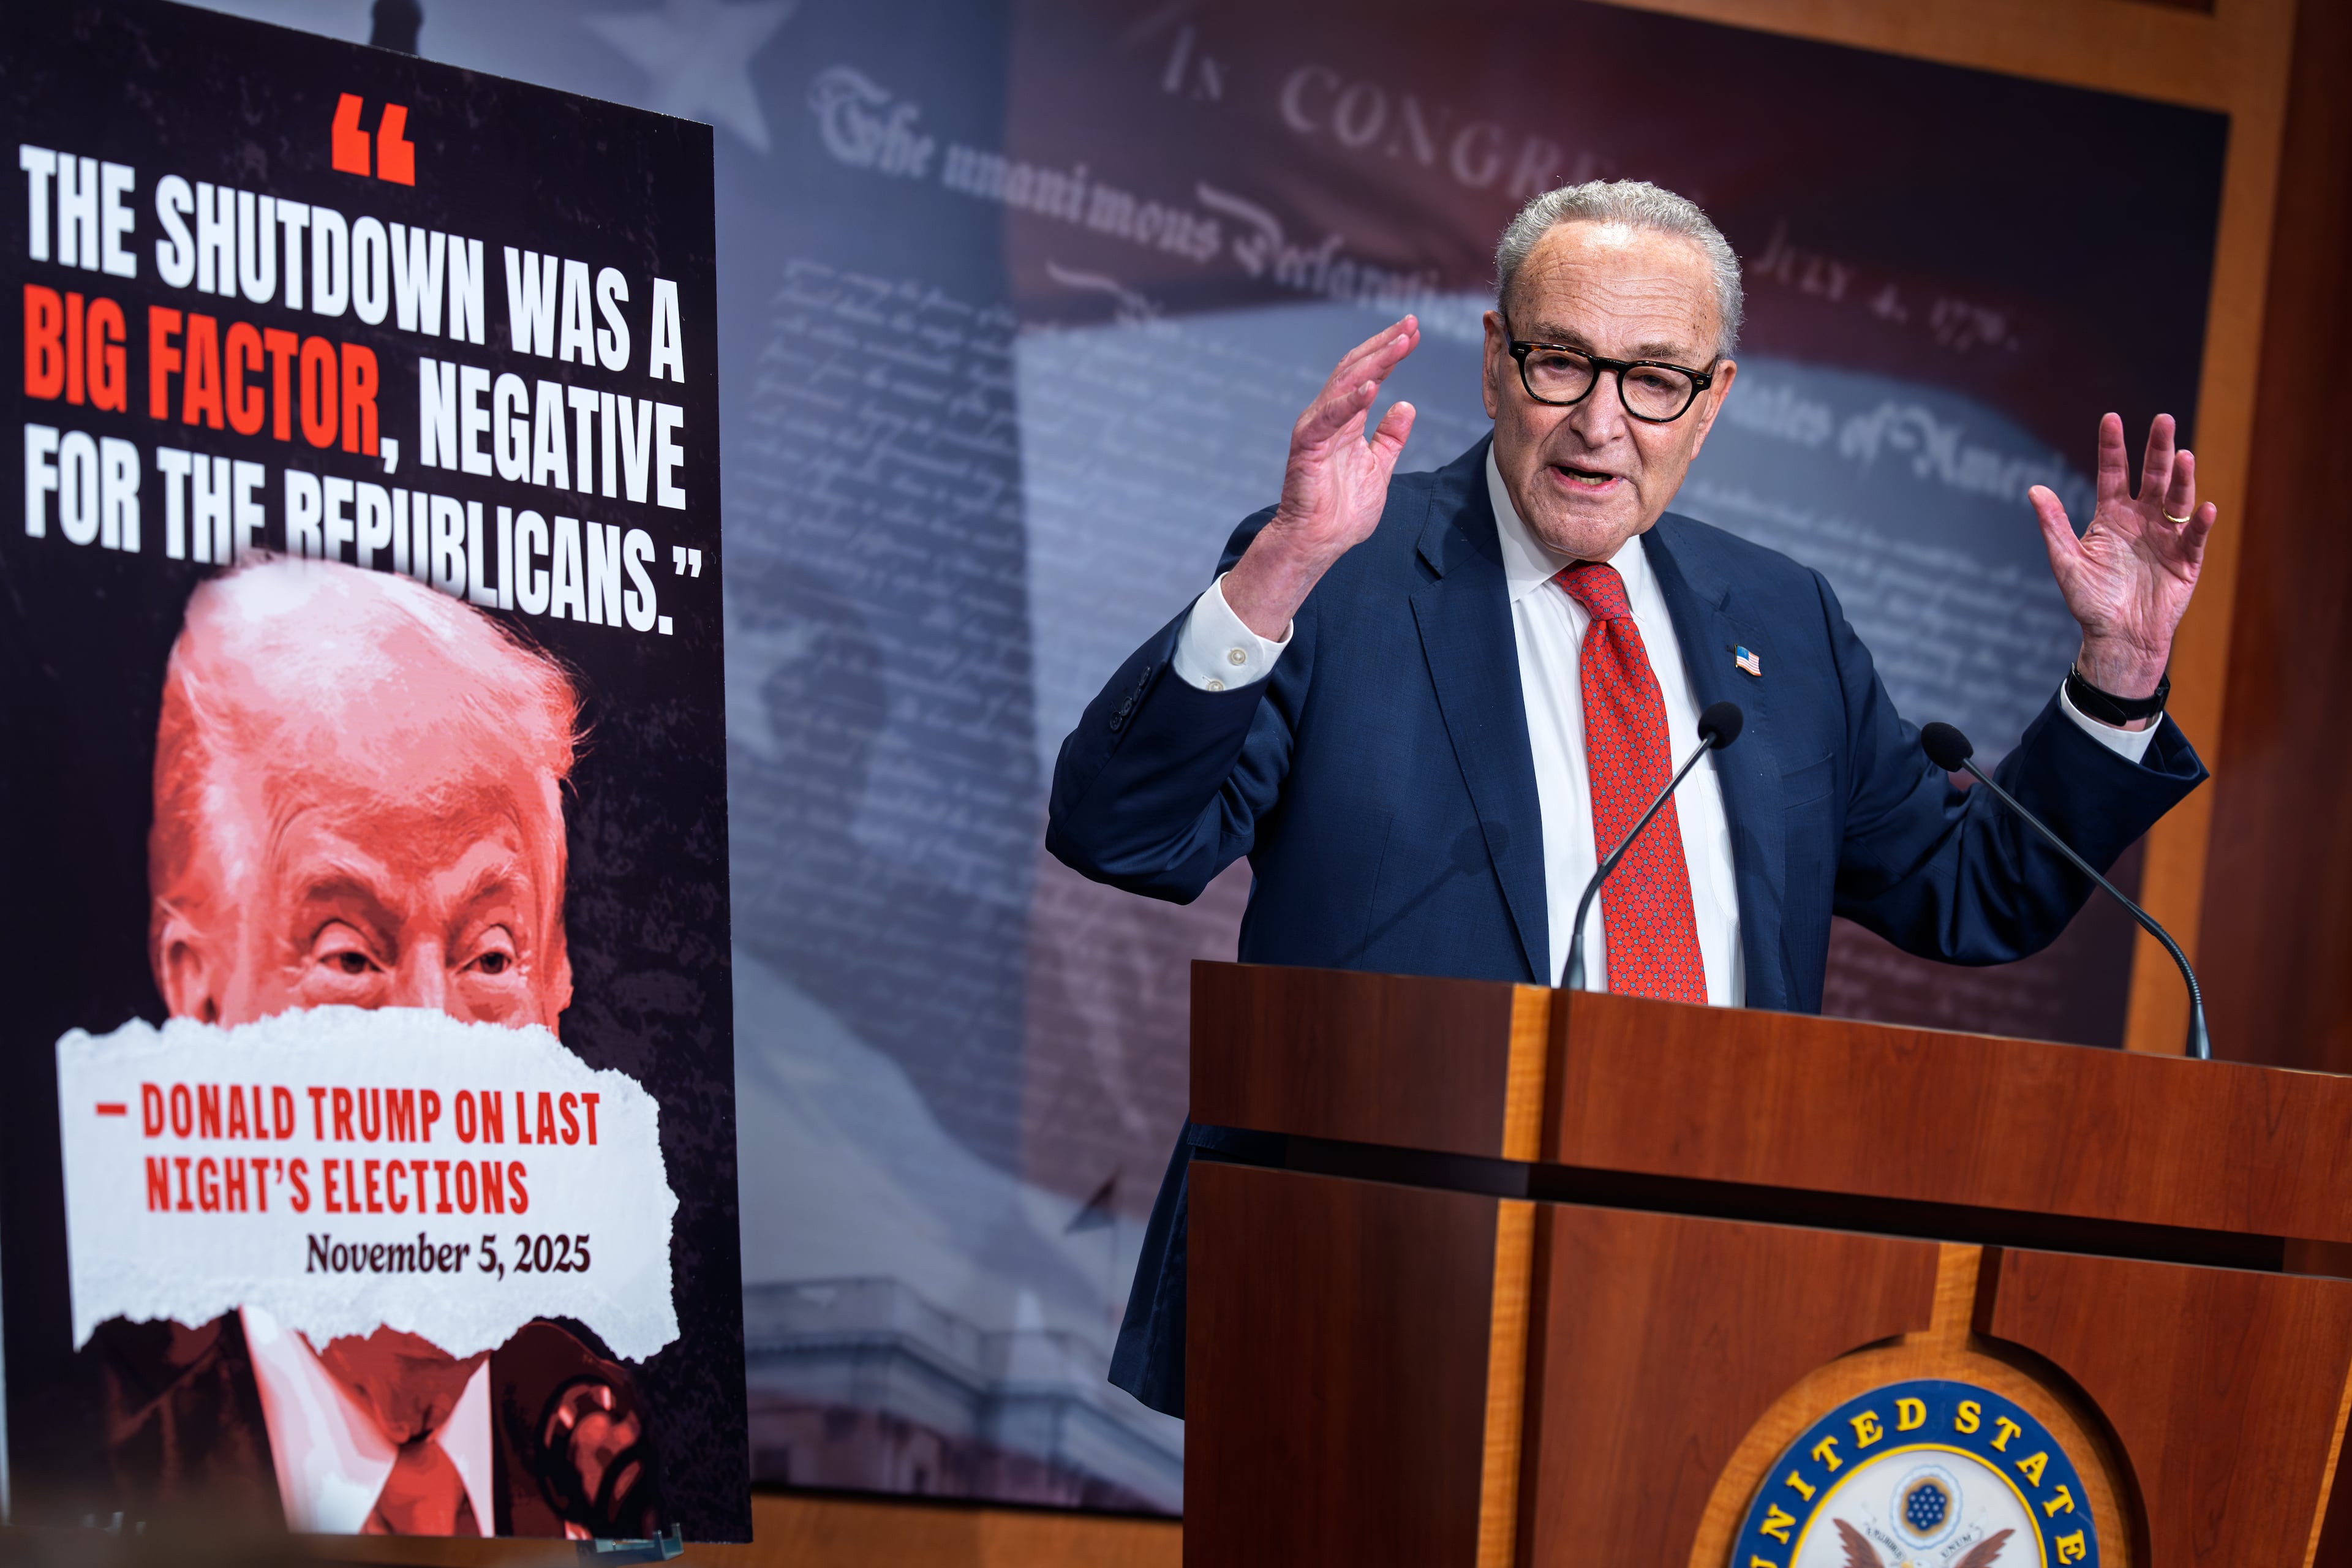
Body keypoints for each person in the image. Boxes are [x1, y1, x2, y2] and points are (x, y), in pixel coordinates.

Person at [1045, 181, 2212, 1418]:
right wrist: (1271, 575)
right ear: (1497, 362)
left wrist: (2120, 680)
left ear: (1713, 404)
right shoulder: (1342, 571)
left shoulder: (1784, 622)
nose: (1601, 423)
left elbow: (1972, 890)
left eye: (1656, 380)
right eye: (1563, 363)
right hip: (1372, 1291)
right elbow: (1125, 830)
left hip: (1716, 1299)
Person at [97, 557, 660, 1539]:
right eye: (351, 957)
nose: (435, 1058)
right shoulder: (85, 1444)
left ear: (559, 990)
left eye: (492, 956)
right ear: (198, 1002)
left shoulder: (619, 1447)